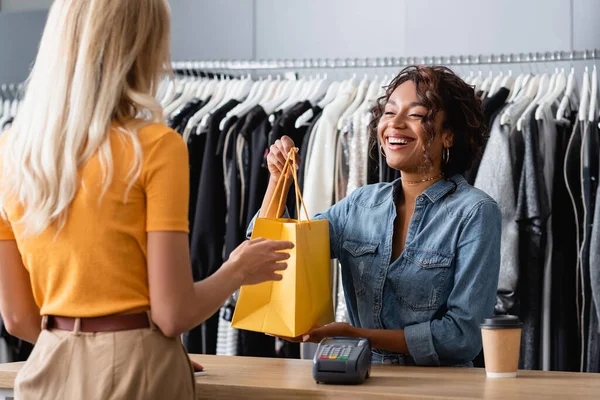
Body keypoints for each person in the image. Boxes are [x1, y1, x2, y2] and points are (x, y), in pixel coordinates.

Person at [0, 1, 292, 399]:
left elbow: (17, 318)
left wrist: (88, 349)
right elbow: (173, 315)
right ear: (141, 47)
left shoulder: (12, 152)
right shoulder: (153, 146)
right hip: (136, 370)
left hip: (47, 368)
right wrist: (237, 269)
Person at [260, 66, 502, 366]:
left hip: (441, 389)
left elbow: (462, 337)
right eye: (389, 112)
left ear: (449, 135)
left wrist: (355, 335)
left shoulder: (475, 212)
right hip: (359, 380)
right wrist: (277, 180)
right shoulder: (360, 204)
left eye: (416, 115)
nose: (395, 124)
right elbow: (272, 252)